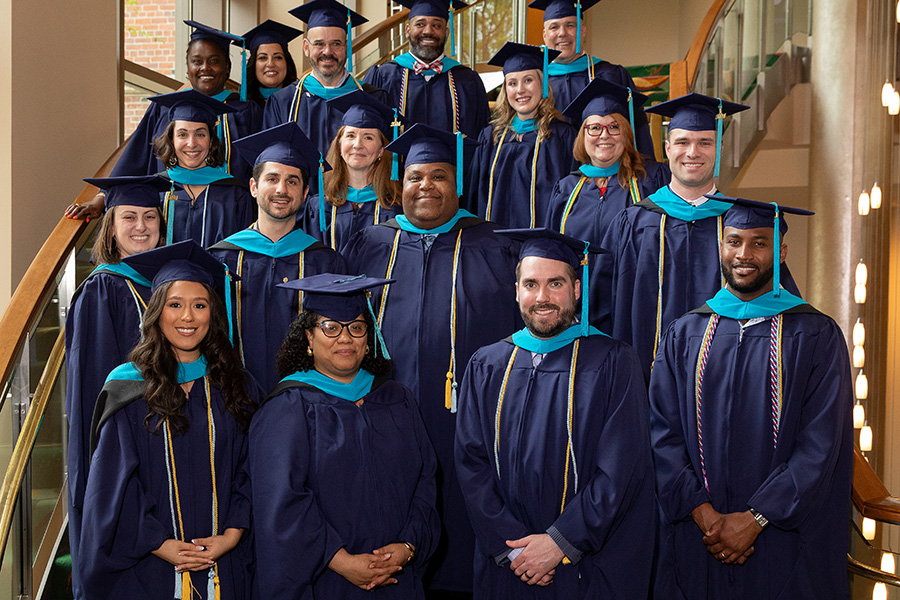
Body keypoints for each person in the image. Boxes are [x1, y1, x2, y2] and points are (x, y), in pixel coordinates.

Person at [342, 123, 521, 597]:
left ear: (456, 184)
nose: (427, 186)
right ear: (400, 184)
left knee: (465, 516)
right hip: (384, 417)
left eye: (439, 175)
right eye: (417, 176)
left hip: (468, 418)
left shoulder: (494, 244)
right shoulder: (371, 243)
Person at [649, 196, 852, 599]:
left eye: (759, 243)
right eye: (734, 241)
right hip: (699, 534)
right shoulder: (686, 332)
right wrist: (702, 512)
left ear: (781, 251)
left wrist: (757, 518)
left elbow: (821, 441)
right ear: (721, 247)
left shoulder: (814, 334)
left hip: (780, 538)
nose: (744, 254)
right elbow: (661, 430)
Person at [455, 228, 655, 599]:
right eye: (531, 284)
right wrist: (514, 548)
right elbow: (471, 466)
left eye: (556, 283)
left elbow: (620, 470)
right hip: (509, 562)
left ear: (577, 289)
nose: (542, 297)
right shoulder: (487, 363)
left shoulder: (613, 361)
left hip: (585, 564)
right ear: (516, 291)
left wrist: (560, 542)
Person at [80, 240, 260, 600]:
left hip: (224, 563)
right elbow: (112, 484)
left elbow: (251, 469)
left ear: (214, 312)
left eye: (199, 305)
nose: (188, 317)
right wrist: (158, 542)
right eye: (175, 305)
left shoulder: (236, 384)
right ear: (157, 312)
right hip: (150, 566)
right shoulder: (128, 387)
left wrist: (233, 534)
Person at [250, 273, 440, 598]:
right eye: (330, 328)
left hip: (396, 576)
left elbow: (426, 479)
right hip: (325, 580)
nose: (345, 338)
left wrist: (409, 545)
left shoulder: (396, 398)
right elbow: (282, 502)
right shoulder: (288, 406)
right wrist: (339, 560)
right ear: (308, 338)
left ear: (369, 338)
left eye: (356, 327)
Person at [601, 93, 784, 382]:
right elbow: (602, 308)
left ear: (720, 148)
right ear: (667, 148)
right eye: (683, 142)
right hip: (642, 385)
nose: (693, 152)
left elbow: (776, 307)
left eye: (705, 142)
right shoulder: (632, 223)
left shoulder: (744, 227)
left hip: (725, 384)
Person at [64, 175, 170, 600]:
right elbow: (94, 389)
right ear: (109, 227)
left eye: (149, 216)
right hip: (124, 440)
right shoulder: (101, 289)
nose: (141, 226)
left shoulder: (166, 286)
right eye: (129, 217)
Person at [65, 21, 263, 220]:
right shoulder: (164, 109)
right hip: (168, 214)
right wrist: (101, 198)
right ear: (187, 68)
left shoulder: (245, 112)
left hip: (229, 215)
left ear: (227, 68)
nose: (205, 68)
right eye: (197, 61)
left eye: (214, 61)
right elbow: (136, 156)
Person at [209, 123, 346, 393]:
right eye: (272, 179)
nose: (281, 189)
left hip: (306, 403)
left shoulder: (327, 263)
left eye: (292, 181)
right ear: (253, 187)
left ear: (306, 193)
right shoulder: (221, 259)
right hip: (231, 400)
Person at [544, 78, 669, 329]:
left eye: (614, 127)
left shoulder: (651, 179)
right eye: (595, 128)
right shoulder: (567, 189)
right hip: (577, 314)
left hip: (633, 307)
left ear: (627, 133)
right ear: (583, 135)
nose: (604, 135)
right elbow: (551, 253)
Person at [263, 0, 389, 163]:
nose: (327, 52)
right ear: (306, 48)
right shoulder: (283, 102)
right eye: (319, 44)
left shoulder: (374, 98)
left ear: (346, 46)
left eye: (336, 44)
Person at [527, 0, 655, 158]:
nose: (562, 33)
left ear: (583, 31)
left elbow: (637, 131)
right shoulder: (533, 81)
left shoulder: (611, 75)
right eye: (554, 27)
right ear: (545, 35)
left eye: (570, 25)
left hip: (604, 173)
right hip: (548, 170)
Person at [468, 42, 576, 228]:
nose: (520, 90)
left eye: (528, 80)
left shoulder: (563, 137)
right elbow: (474, 197)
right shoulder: (490, 138)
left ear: (542, 84)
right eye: (512, 83)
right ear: (505, 90)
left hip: (542, 251)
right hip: (494, 246)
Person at [362, 0, 490, 142]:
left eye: (436, 25)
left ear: (446, 33)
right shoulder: (383, 77)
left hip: (456, 164)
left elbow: (481, 136)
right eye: (420, 24)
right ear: (407, 30)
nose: (428, 31)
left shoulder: (467, 80)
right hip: (398, 164)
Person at [150, 89, 256, 248]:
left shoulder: (235, 194)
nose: (192, 143)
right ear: (171, 139)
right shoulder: (155, 190)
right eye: (182, 134)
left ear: (211, 140)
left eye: (200, 134)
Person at [300, 89, 403, 251]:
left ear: (381, 150)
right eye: (350, 135)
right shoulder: (318, 206)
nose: (357, 144)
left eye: (368, 137)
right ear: (339, 145)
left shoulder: (397, 207)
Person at [238, 19, 302, 108]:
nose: (270, 64)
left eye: (278, 57)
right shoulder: (240, 107)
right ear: (253, 65)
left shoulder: (302, 102)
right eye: (262, 58)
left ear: (287, 63)